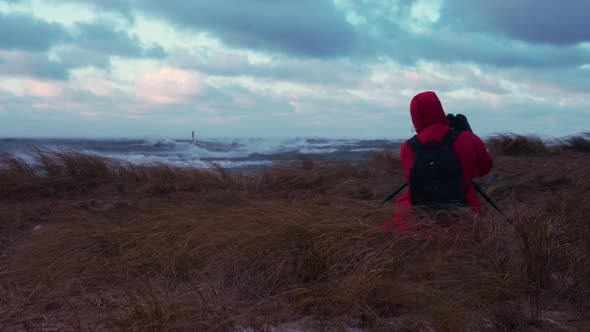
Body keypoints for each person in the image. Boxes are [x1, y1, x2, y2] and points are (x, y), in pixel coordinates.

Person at [375, 91, 493, 236]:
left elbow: (411, 182)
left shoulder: (408, 147)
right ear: (440, 110)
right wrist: (469, 133)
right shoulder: (467, 139)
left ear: (414, 117)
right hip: (465, 220)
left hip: (416, 223)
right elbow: (484, 169)